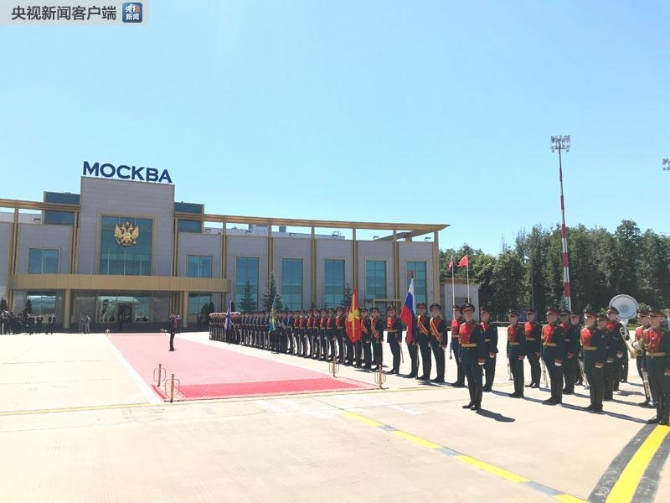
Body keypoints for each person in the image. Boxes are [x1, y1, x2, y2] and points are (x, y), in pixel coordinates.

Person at [644, 309, 669, 425]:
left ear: (660, 319)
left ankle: (665, 416)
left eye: (654, 318)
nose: (651, 320)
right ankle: (659, 415)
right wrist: (644, 366)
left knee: (666, 392)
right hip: (651, 364)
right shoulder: (647, 332)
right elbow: (645, 351)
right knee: (656, 392)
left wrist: (668, 368)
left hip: (662, 365)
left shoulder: (666, 333)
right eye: (650, 318)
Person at [458, 303, 486, 410]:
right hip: (465, 355)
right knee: (469, 379)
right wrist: (460, 354)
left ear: (472, 313)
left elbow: (481, 344)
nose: (468, 314)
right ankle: (472, 400)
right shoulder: (461, 326)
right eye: (466, 312)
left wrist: (481, 358)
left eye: (470, 312)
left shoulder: (478, 327)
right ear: (463, 314)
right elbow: (460, 342)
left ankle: (477, 402)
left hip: (475, 355)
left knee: (477, 380)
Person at [580, 311, 607, 413]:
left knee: (598, 382)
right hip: (587, 358)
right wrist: (582, 358)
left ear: (594, 319)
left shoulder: (599, 332)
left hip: (596, 358)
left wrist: (600, 361)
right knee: (591, 382)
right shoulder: (583, 330)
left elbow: (602, 349)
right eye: (585, 317)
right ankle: (593, 403)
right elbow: (582, 346)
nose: (586, 319)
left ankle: (598, 405)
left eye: (589, 317)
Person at [541, 307, 566, 405]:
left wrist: (559, 359)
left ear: (555, 317)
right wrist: (542, 355)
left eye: (550, 315)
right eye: (547, 315)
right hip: (547, 355)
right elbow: (542, 342)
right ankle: (553, 396)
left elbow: (561, 346)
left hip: (555, 356)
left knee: (558, 377)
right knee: (552, 377)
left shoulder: (559, 329)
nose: (548, 317)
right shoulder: (545, 327)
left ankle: (558, 397)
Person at [635, 310, 654, 408]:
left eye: (642, 317)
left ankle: (654, 399)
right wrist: (634, 345)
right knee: (644, 378)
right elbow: (636, 341)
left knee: (650, 379)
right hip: (639, 357)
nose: (639, 319)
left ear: (648, 318)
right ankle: (648, 398)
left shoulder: (652, 329)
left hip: (648, 356)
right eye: (638, 317)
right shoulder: (638, 329)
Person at [507, 310, 526, 398]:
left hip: (518, 351)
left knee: (519, 372)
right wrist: (507, 351)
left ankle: (520, 391)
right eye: (510, 317)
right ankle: (516, 390)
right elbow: (508, 341)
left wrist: (522, 353)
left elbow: (523, 342)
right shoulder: (509, 328)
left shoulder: (520, 328)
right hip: (512, 351)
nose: (511, 318)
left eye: (513, 317)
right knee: (514, 372)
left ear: (517, 318)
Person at [562, 310, 581, 395]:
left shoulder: (577, 328)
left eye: (574, 317)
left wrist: (571, 352)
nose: (572, 319)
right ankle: (567, 386)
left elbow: (575, 342)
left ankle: (571, 387)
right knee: (566, 370)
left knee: (571, 370)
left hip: (571, 352)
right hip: (565, 351)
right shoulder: (571, 327)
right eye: (571, 317)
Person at [429, 303, 447, 383]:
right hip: (433, 341)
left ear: (439, 311)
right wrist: (429, 341)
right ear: (432, 312)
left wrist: (444, 343)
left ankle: (441, 376)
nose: (435, 311)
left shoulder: (442, 321)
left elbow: (445, 333)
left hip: (440, 342)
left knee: (441, 359)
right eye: (433, 310)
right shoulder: (431, 321)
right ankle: (438, 375)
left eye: (436, 310)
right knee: (437, 359)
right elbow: (429, 332)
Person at [480, 306, 497, 391]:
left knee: (490, 368)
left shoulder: (492, 326)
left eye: (484, 314)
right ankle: (484, 384)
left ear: (488, 315)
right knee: (483, 366)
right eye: (481, 314)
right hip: (482, 348)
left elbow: (494, 339)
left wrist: (492, 350)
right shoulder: (480, 325)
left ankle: (488, 385)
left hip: (489, 348)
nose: (482, 315)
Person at [524, 309, 542, 388]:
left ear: (534, 316)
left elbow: (539, 339)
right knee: (532, 364)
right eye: (528, 315)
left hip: (534, 347)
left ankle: (537, 382)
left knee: (536, 364)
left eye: (530, 315)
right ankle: (533, 381)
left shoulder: (537, 326)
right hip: (528, 347)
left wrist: (538, 350)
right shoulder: (526, 324)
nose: (528, 316)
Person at [416, 303, 433, 380]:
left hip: (426, 340)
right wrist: (416, 339)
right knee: (423, 357)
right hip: (420, 340)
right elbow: (417, 330)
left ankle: (427, 374)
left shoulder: (429, 319)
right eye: (420, 309)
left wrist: (429, 340)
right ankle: (424, 373)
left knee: (427, 357)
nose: (421, 310)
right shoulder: (418, 319)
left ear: (425, 310)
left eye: (422, 308)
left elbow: (430, 331)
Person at [450, 305, 465, 387]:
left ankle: (461, 381)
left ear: (460, 312)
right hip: (454, 342)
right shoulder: (453, 321)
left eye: (456, 311)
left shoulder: (462, 321)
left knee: (460, 362)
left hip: (460, 343)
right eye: (454, 311)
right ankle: (459, 380)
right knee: (458, 362)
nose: (455, 312)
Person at [386, 305, 403, 375]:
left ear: (395, 312)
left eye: (393, 311)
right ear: (388, 312)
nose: (392, 312)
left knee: (397, 354)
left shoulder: (398, 320)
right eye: (390, 311)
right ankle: (394, 368)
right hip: (391, 339)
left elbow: (400, 330)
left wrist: (400, 339)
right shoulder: (388, 319)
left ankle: (397, 369)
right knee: (394, 354)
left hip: (396, 339)